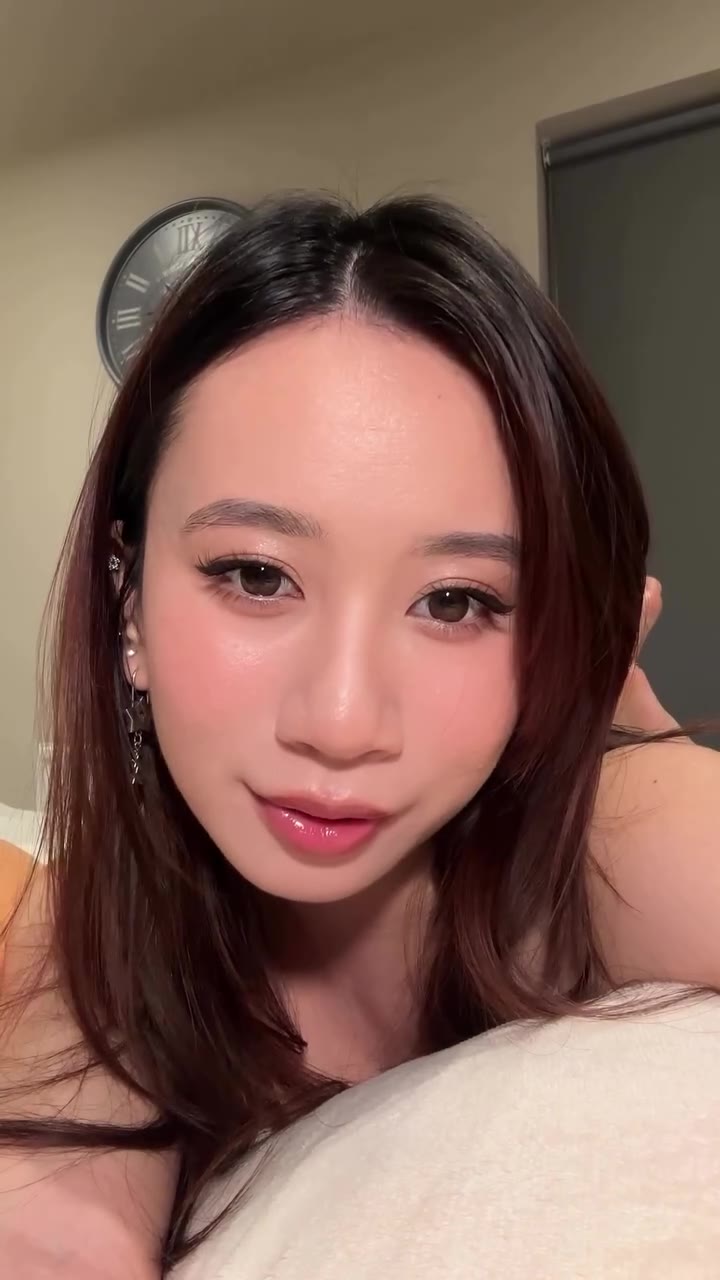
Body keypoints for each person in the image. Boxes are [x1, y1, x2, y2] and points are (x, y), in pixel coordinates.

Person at [1, 193, 719, 1278]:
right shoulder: (82, 942)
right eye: (256, 576)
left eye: (455, 601)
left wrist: (641, 738)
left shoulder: (599, 840)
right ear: (128, 603)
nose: (341, 723)